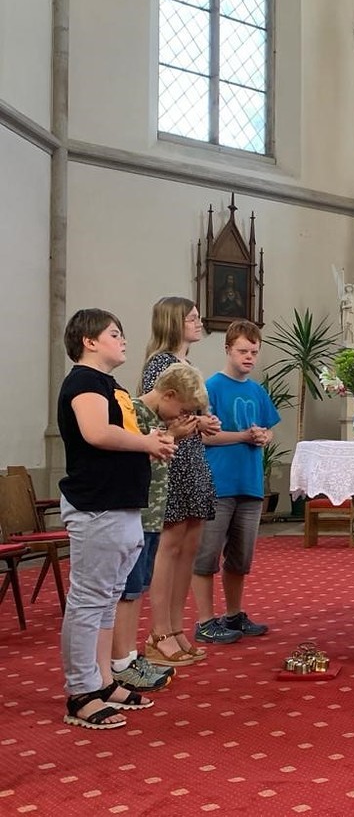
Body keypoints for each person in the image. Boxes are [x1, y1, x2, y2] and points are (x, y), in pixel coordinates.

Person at [57, 308, 176, 729]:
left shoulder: (111, 385)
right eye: (113, 333)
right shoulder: (84, 381)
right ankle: (80, 692)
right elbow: (96, 432)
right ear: (88, 341)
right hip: (97, 505)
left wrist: (150, 440)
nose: (123, 339)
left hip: (120, 505)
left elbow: (120, 433)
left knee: (108, 599)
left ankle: (104, 681)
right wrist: (146, 443)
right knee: (89, 600)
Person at [109, 363, 210, 690]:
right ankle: (121, 660)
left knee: (138, 586)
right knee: (128, 590)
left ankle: (130, 656)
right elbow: (133, 460)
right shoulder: (135, 412)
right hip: (136, 514)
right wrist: (172, 435)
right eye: (182, 410)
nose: (183, 416)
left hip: (152, 515)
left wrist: (175, 431)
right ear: (168, 395)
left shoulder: (160, 418)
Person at [141, 297, 229, 668]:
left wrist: (203, 423)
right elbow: (153, 416)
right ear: (173, 322)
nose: (198, 322)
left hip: (193, 458)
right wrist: (193, 423)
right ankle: (159, 632)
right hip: (172, 460)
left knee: (190, 547)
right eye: (191, 318)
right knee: (170, 546)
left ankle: (177, 628)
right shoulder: (160, 363)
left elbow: (187, 412)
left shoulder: (187, 363)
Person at [192, 321, 280, 642]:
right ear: (228, 349)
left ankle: (233, 615)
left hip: (250, 483)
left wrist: (264, 436)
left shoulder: (257, 390)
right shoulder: (211, 387)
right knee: (206, 556)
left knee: (240, 559)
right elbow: (203, 436)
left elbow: (268, 429)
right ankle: (205, 621)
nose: (249, 357)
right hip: (219, 483)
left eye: (254, 352)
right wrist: (244, 436)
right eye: (243, 351)